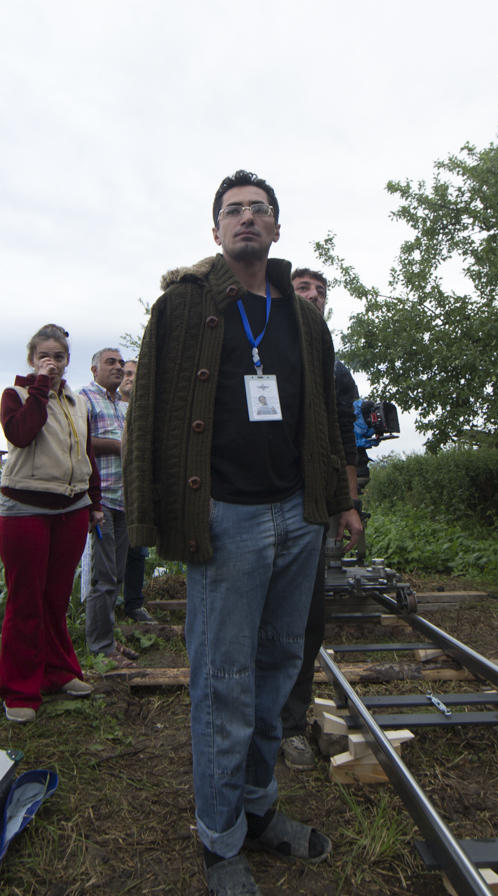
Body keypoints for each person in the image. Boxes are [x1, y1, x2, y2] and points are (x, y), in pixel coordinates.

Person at [125, 169, 361, 896]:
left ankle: (258, 811)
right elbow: (148, 415)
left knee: (279, 670)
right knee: (223, 685)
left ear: (279, 229)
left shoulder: (302, 316)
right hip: (224, 519)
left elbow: (324, 416)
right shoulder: (184, 306)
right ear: (216, 229)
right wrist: (146, 517)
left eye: (261, 210)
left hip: (296, 517)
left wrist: (334, 501)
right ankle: (219, 838)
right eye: (234, 211)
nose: (248, 220)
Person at [0, 324, 103, 722]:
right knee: (25, 600)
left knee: (55, 600)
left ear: (68, 361)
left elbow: (87, 454)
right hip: (26, 510)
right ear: (31, 358)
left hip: (71, 510)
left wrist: (94, 501)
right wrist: (39, 386)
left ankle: (58, 673)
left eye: (59, 357)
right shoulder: (18, 395)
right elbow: (21, 434)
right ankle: (20, 690)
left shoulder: (77, 403)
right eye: (44, 356)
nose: (52, 363)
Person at [278, 267, 360, 770]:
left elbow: (347, 441)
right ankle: (248, 723)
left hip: (309, 510)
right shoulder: (265, 347)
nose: (311, 296)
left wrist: (347, 504)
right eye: (302, 288)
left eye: (319, 291)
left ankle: (289, 724)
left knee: (306, 619)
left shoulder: (335, 370)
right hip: (253, 505)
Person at [79, 347, 133, 660]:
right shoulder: (84, 399)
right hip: (100, 501)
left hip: (124, 499)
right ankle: (100, 647)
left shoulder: (121, 406)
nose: (117, 368)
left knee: (118, 574)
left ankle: (109, 640)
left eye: (120, 363)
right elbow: (79, 441)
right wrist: (117, 445)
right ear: (94, 369)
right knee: (105, 576)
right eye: (110, 362)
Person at [118, 356, 156, 623]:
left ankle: (133, 603)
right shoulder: (109, 406)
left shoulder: (146, 409)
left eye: (135, 373)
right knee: (111, 553)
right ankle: (108, 606)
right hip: (111, 490)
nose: (130, 377)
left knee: (137, 550)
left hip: (136, 491)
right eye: (127, 373)